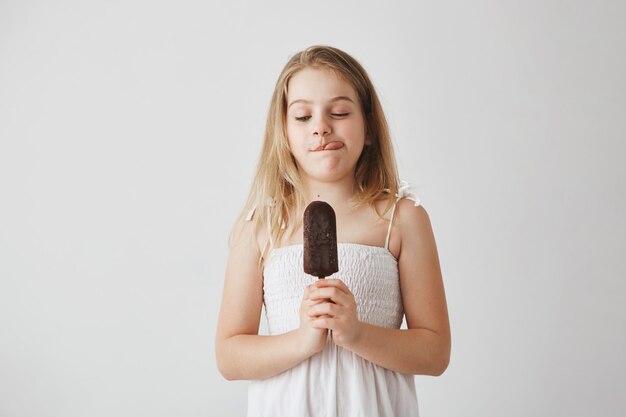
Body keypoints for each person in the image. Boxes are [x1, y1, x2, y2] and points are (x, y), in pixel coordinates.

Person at [215, 45, 451, 417]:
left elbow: (435, 353)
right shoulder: (261, 226)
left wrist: (356, 333)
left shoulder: (402, 218)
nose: (321, 126)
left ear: (370, 128)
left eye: (339, 112)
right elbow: (229, 357)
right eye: (303, 116)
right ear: (284, 134)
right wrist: (302, 340)